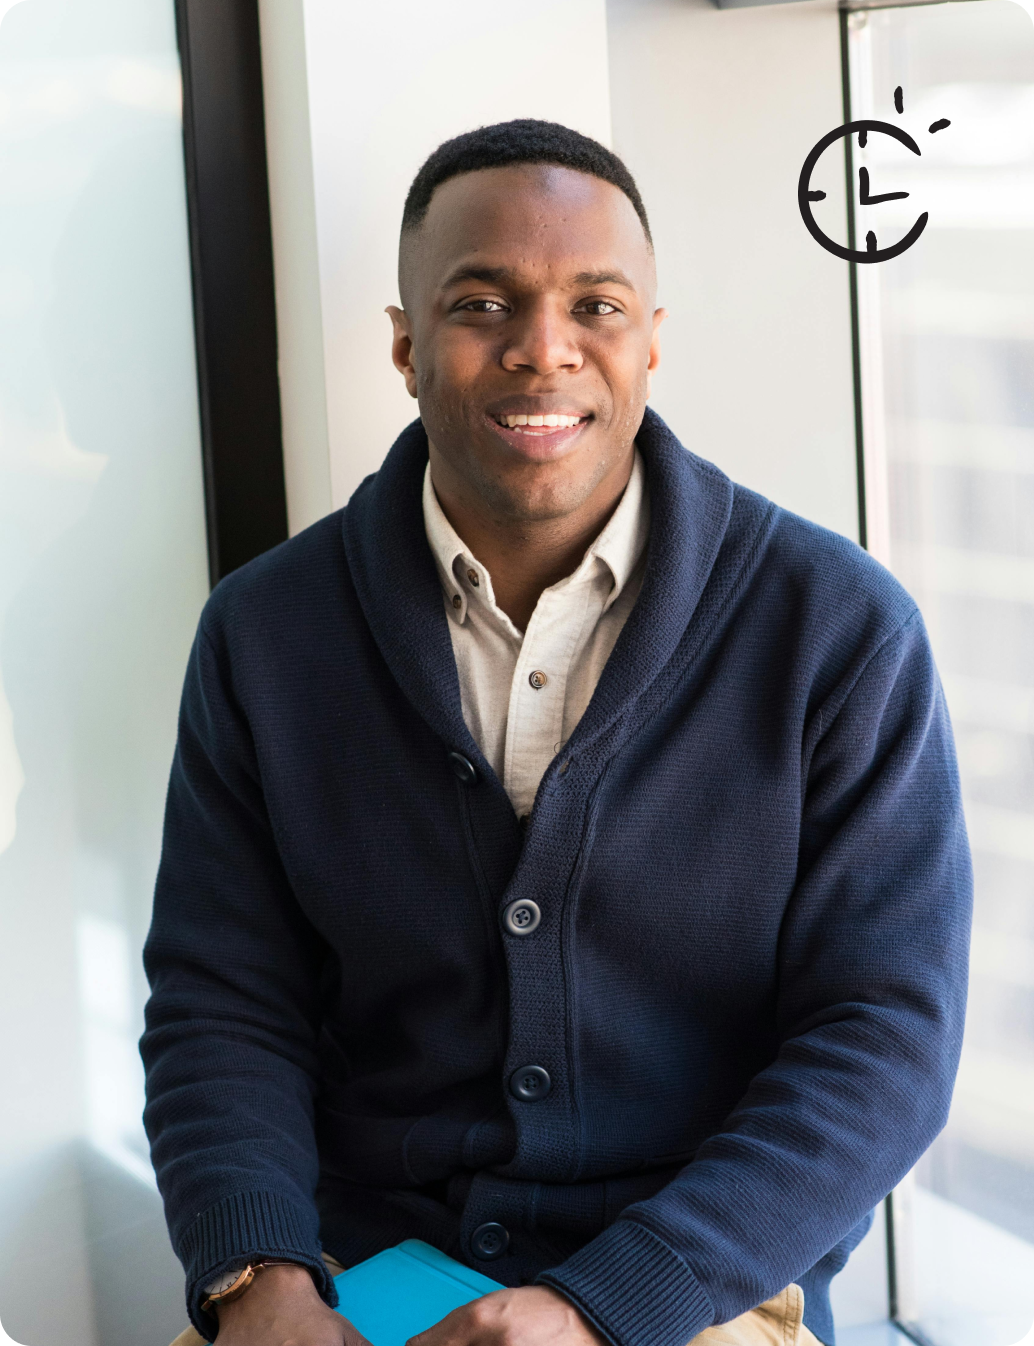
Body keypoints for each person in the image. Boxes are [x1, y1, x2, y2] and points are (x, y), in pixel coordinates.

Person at [143, 120, 971, 1346]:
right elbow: (224, 998)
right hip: (345, 1260)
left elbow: (883, 1034)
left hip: (701, 1278)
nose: (543, 350)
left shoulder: (837, 628)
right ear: (405, 343)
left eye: (595, 303)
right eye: (483, 302)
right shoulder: (265, 632)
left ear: (648, 341)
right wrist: (256, 1272)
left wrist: (603, 1305)